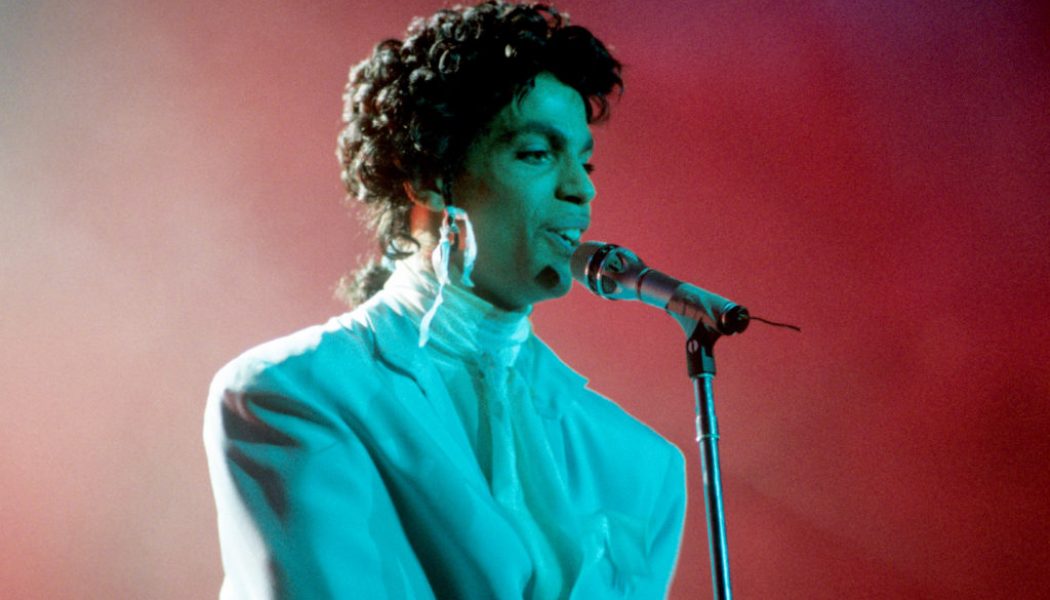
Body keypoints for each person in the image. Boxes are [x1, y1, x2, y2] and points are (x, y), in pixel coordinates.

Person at [203, 2, 686, 598]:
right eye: (536, 153)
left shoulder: (637, 463)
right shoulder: (291, 393)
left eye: (584, 162)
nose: (580, 187)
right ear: (429, 176)